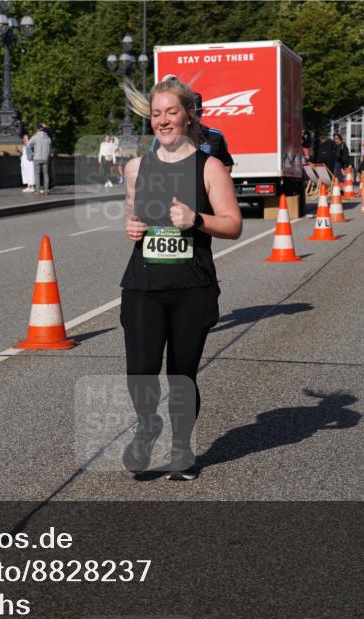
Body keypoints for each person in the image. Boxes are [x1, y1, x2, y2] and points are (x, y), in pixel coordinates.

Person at [120, 76, 242, 481]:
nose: (163, 120)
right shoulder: (136, 167)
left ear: (189, 115)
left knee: (181, 375)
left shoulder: (210, 167)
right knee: (140, 369)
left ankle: (182, 448)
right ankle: (147, 425)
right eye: (156, 113)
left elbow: (233, 225)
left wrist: (196, 219)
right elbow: (133, 214)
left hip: (192, 287)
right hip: (143, 285)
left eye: (171, 111)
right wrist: (132, 227)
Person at [28, 122, 52, 195]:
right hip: (45, 158)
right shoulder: (48, 138)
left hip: (37, 158)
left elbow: (28, 145)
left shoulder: (35, 137)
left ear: (37, 129)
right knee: (46, 174)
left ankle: (37, 191)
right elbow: (50, 149)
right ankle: (46, 191)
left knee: (37, 175)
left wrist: (31, 154)